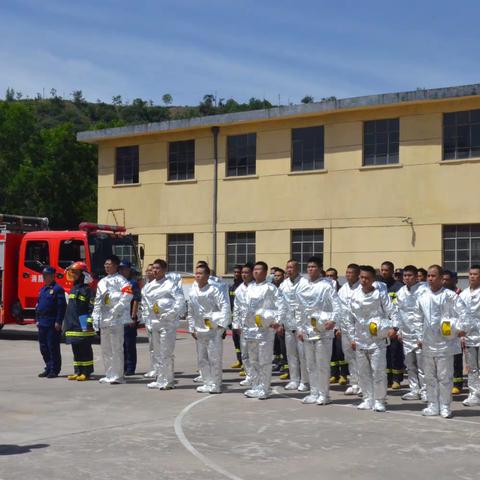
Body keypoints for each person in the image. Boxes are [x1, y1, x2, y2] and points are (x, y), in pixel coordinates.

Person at [413, 265, 466, 418]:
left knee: (445, 377)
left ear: (442, 278)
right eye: (428, 275)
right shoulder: (422, 296)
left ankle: (445, 406)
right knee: (429, 377)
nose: (430, 278)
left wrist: (459, 328)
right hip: (428, 344)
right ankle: (433, 405)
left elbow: (464, 314)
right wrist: (419, 337)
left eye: (433, 276)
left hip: (446, 344)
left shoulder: (450, 296)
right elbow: (417, 319)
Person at [345, 265, 399, 412]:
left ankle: (380, 400)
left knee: (378, 371)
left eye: (367, 278)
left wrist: (394, 327)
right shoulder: (354, 295)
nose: (364, 280)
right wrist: (352, 338)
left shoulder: (380, 294)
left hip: (378, 340)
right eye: (361, 277)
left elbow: (392, 311)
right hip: (360, 339)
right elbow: (349, 318)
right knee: (363, 372)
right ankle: (367, 398)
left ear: (373, 279)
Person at [296, 257, 342, 404]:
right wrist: (300, 329)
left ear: (320, 269)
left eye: (314, 267)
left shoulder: (327, 285)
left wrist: (333, 321)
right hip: (308, 331)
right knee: (310, 365)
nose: (310, 269)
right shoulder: (302, 286)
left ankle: (324, 394)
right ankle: (314, 392)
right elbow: (299, 309)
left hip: (323, 331)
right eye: (308, 267)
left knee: (322, 364)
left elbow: (337, 305)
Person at [242, 261, 287, 399]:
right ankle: (256, 386)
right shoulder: (249, 288)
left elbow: (281, 306)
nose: (255, 272)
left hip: (265, 330)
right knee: (253, 360)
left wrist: (276, 321)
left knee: (265, 360)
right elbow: (244, 307)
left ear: (265, 272)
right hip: (250, 330)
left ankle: (264, 388)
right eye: (254, 270)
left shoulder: (271, 288)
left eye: (259, 270)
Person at [141, 259, 186, 390]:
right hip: (154, 324)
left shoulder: (170, 285)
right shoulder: (147, 287)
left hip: (167, 324)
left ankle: (168, 380)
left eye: (158, 268)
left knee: (166, 352)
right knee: (157, 353)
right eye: (153, 268)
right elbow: (145, 306)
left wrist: (170, 314)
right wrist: (147, 321)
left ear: (165, 270)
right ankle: (159, 378)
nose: (154, 270)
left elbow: (180, 302)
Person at [188, 264, 231, 394]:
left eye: (200, 273)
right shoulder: (193, 291)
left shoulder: (214, 290)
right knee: (202, 359)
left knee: (214, 359)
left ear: (207, 276)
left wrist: (221, 326)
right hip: (199, 330)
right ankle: (207, 382)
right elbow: (191, 311)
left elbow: (225, 307)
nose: (197, 276)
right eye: (196, 273)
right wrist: (192, 328)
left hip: (213, 330)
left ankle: (216, 384)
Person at [92, 255, 133, 385]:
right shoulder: (102, 281)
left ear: (116, 266)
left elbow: (128, 294)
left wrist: (117, 308)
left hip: (116, 318)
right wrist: (95, 316)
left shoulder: (121, 280)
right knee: (106, 348)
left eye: (109, 264)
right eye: (105, 264)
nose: (106, 266)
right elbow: (98, 300)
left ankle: (118, 375)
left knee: (116, 348)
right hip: (104, 318)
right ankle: (109, 374)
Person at [396, 265, 428, 400]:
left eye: (410, 276)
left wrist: (424, 334)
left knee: (423, 365)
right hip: (407, 334)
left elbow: (427, 313)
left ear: (416, 277)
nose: (407, 278)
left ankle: (426, 391)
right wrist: (399, 330)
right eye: (405, 276)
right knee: (410, 364)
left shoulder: (424, 290)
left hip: (421, 334)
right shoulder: (401, 292)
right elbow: (398, 312)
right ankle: (414, 389)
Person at [279, 259, 310, 392]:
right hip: (288, 324)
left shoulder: (305, 283)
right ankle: (294, 379)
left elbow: (308, 305)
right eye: (287, 267)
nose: (289, 270)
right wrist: (280, 322)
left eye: (292, 267)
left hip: (301, 326)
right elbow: (280, 304)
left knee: (303, 355)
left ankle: (305, 381)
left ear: (298, 269)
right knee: (291, 354)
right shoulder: (283, 284)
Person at [63, 262, 95, 381]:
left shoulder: (87, 290)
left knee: (84, 349)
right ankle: (78, 371)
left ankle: (86, 372)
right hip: (72, 323)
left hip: (82, 324)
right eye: (72, 273)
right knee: (76, 349)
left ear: (83, 274)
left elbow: (91, 308)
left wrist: (89, 322)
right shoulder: (74, 288)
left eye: (75, 273)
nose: (73, 275)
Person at [35, 266, 66, 378]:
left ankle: (54, 369)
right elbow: (38, 306)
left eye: (46, 275)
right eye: (43, 275)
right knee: (43, 347)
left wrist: (58, 321)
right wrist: (37, 319)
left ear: (53, 276)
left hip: (52, 322)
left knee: (52, 346)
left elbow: (61, 307)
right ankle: (48, 367)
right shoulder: (43, 289)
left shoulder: (57, 289)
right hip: (42, 322)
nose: (44, 277)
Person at [457, 265, 480, 407]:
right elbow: (458, 315)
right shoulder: (463, 294)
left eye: (475, 274)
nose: (472, 276)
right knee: (472, 367)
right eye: (470, 274)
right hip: (469, 337)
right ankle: (474, 394)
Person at [380, 261, 404, 389]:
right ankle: (387, 378)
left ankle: (397, 379)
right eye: (382, 270)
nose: (384, 272)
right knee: (385, 353)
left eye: (387, 270)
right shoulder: (378, 286)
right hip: (382, 325)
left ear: (392, 271)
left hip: (394, 323)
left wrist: (397, 326)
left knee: (395, 352)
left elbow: (400, 307)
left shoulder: (399, 286)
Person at [337, 263, 361, 395]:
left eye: (350, 273)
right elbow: (338, 309)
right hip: (345, 329)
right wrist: (338, 327)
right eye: (346, 272)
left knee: (361, 357)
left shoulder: (362, 288)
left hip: (359, 329)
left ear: (357, 274)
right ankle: (354, 383)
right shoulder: (343, 289)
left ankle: (363, 384)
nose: (347, 275)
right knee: (350, 357)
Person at [232, 263, 255, 387]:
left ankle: (257, 376)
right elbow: (236, 308)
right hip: (243, 326)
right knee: (245, 353)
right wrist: (236, 324)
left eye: (247, 272)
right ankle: (249, 375)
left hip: (256, 327)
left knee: (255, 354)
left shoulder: (256, 287)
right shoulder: (239, 289)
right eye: (243, 273)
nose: (244, 275)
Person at [442, 270, 464, 394]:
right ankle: (447, 382)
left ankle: (458, 383)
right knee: (445, 358)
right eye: (443, 279)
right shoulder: (442, 294)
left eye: (447, 279)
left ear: (454, 280)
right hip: (444, 329)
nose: (445, 282)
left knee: (457, 358)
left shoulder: (460, 294)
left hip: (456, 330)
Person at [119, 260, 141, 376]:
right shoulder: (118, 282)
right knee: (121, 344)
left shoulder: (132, 283)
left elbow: (136, 299)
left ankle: (130, 367)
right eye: (120, 269)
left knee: (129, 344)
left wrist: (133, 316)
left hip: (129, 317)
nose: (122, 271)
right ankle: (123, 366)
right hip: (119, 318)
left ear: (129, 270)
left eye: (124, 269)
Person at [325, 267, 347, 385]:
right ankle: (334, 374)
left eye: (331, 276)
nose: (329, 278)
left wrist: (340, 326)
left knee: (341, 351)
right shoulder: (326, 290)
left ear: (336, 277)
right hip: (328, 325)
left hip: (340, 325)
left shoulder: (342, 290)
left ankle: (343, 374)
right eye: (327, 276)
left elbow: (342, 310)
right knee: (332, 352)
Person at [228, 265, 244, 369]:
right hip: (234, 319)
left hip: (243, 319)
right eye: (235, 272)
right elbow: (229, 304)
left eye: (239, 272)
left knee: (243, 342)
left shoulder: (244, 287)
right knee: (236, 341)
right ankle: (239, 360)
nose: (237, 274)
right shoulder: (232, 287)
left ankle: (245, 363)